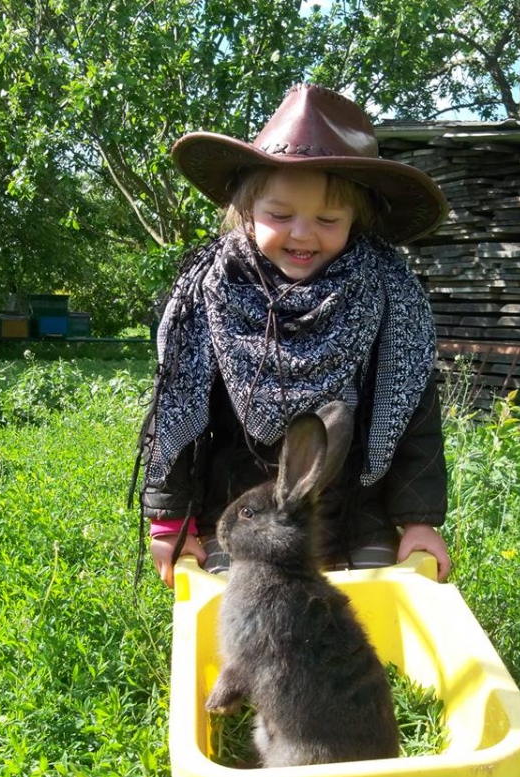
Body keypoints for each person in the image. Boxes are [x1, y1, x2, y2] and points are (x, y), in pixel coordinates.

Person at [134, 83, 451, 588]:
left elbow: (414, 414)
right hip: (241, 516)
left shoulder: (392, 297)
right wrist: (172, 519)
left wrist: (418, 520)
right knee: (250, 628)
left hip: (356, 517)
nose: (302, 234)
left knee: (365, 622)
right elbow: (177, 407)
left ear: (357, 220)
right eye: (280, 216)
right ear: (246, 209)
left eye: (328, 219)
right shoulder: (209, 292)